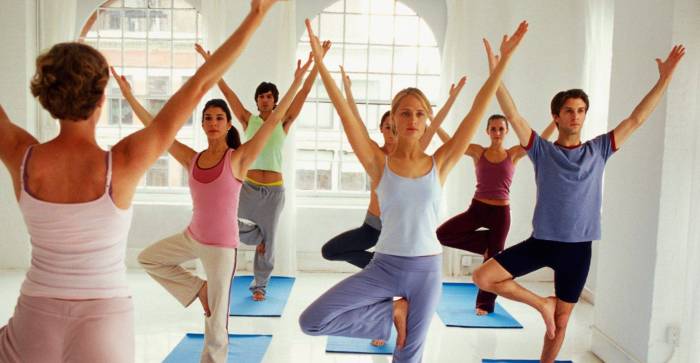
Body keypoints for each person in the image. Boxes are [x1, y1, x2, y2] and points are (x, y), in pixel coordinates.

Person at [0, 1, 279, 362]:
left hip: (33, 322)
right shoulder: (124, 161)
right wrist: (256, 16)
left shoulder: (21, 155)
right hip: (104, 324)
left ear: (46, 99)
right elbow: (200, 83)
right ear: (102, 98)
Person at [299, 19, 528, 362]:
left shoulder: (441, 162)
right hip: (384, 266)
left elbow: (476, 109)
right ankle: (389, 314)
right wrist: (319, 63)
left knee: (408, 356)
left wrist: (501, 65)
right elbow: (345, 114)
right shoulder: (380, 163)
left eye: (420, 113)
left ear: (426, 120)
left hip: (426, 271)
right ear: (392, 118)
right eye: (405, 112)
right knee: (312, 321)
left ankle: (396, 317)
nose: (413, 119)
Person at [472, 40, 685, 363]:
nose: (576, 116)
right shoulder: (541, 150)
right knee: (483, 277)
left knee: (560, 322)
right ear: (556, 116)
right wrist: (495, 69)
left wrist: (664, 79)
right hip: (542, 241)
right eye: (569, 111)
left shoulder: (598, 149)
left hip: (577, 249)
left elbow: (636, 119)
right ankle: (541, 303)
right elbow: (513, 114)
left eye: (581, 111)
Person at [120, 55, 309, 362]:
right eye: (208, 118)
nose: (212, 123)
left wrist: (297, 81)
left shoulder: (239, 158)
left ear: (229, 124)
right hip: (192, 236)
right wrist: (129, 96)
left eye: (219, 118)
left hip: (222, 247)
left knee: (216, 324)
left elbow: (274, 121)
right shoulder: (192, 159)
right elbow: (158, 130)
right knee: (149, 259)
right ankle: (200, 289)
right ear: (203, 123)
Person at [320, 66, 466, 347]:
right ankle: (380, 283)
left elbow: (433, 122)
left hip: (405, 239)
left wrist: (451, 100)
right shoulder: (376, 154)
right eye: (389, 125)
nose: (392, 129)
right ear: (389, 126)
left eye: (416, 115)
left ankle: (384, 308)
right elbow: (353, 121)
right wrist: (348, 91)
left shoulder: (418, 151)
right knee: (333, 251)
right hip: (374, 225)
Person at [195, 40, 331, 301]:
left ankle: (260, 286)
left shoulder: (283, 122)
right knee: (223, 219)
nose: (265, 99)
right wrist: (211, 64)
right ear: (257, 101)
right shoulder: (249, 120)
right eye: (261, 96)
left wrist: (317, 62)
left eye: (269, 96)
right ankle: (255, 235)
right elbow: (228, 93)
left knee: (269, 243)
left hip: (273, 193)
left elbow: (302, 93)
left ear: (276, 100)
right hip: (247, 188)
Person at [435, 115, 555, 315]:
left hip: (500, 213)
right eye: (493, 129)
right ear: (487, 131)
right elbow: (452, 143)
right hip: (477, 209)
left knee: (493, 261)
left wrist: (555, 121)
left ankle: (484, 304)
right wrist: (434, 122)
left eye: (501, 129)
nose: (497, 133)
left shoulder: (513, 154)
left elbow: (538, 140)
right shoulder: (477, 152)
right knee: (442, 233)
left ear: (506, 131)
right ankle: (486, 246)